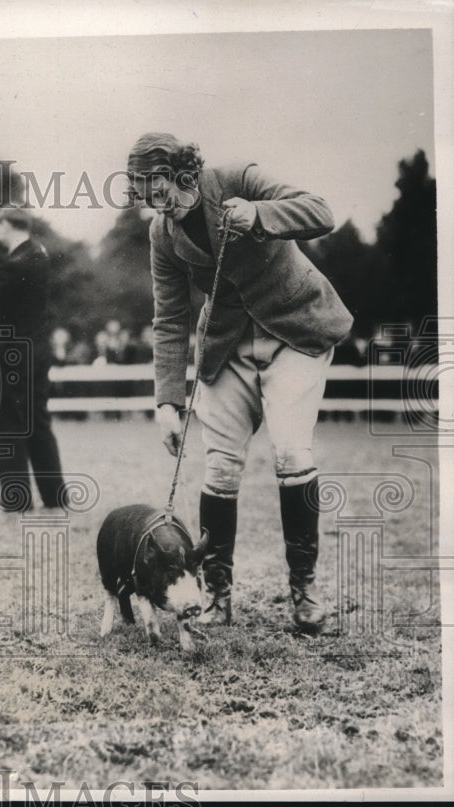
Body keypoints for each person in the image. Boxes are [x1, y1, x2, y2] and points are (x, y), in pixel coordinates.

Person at [127, 132, 353, 634]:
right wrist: (166, 400)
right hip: (226, 345)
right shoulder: (162, 235)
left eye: (156, 183)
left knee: (292, 455)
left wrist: (260, 214)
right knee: (220, 467)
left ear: (184, 171)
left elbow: (320, 211)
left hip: (296, 329)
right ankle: (217, 596)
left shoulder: (238, 178)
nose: (150, 198)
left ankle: (304, 593)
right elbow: (169, 317)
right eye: (141, 188)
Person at [0, 206, 68, 513]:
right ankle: (54, 496)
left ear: (5, 224)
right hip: (35, 350)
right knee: (36, 422)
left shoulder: (20, 260)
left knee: (8, 423)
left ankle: (16, 499)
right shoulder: (36, 253)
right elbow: (7, 278)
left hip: (14, 353)